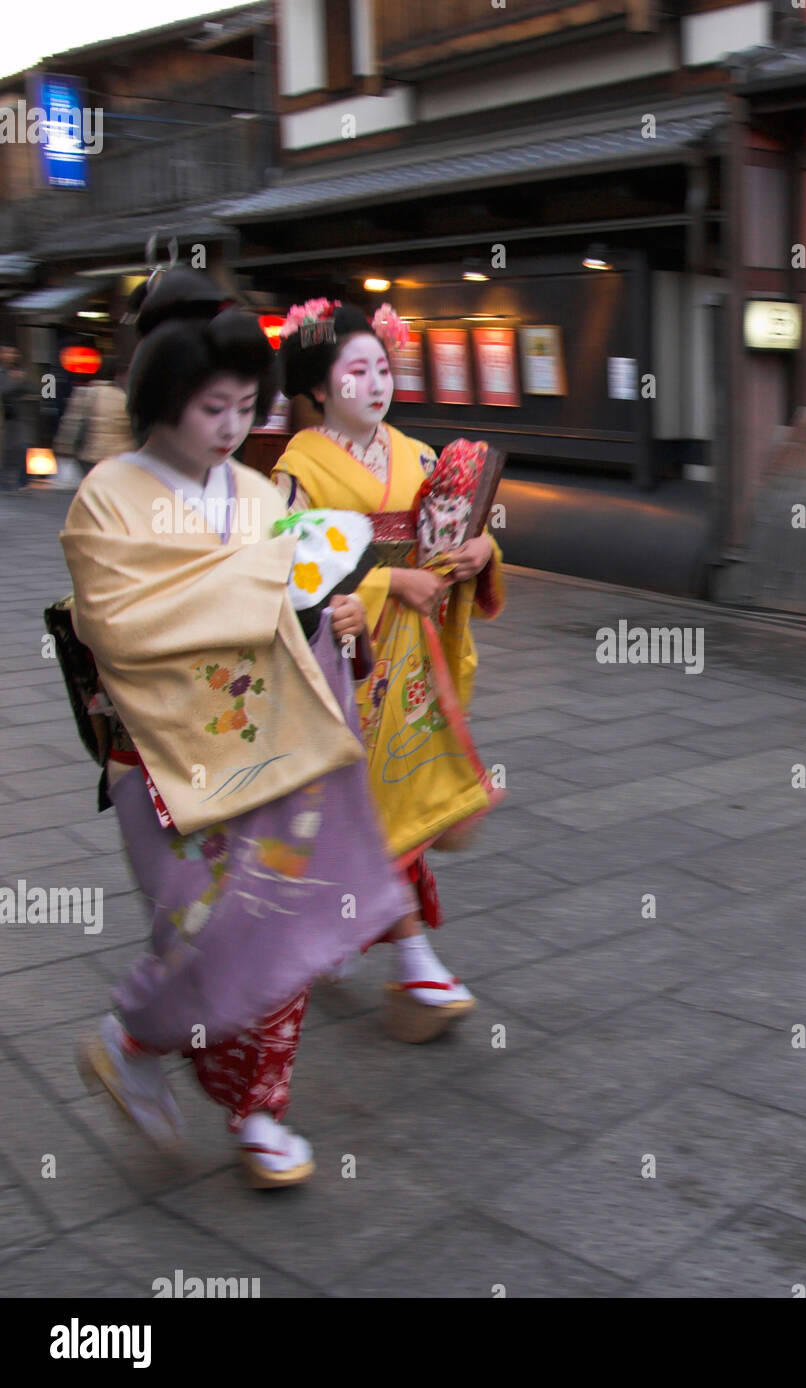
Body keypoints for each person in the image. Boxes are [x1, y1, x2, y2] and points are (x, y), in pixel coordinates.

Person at [63, 268, 415, 1187]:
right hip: (163, 760)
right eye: (211, 405)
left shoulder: (261, 497)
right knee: (204, 929)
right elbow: (121, 624)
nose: (229, 428)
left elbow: (315, 593)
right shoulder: (109, 494)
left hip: (275, 743)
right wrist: (274, 585)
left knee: (277, 917)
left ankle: (257, 1111)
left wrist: (335, 613)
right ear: (163, 391)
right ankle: (139, 1040)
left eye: (243, 408)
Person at [273, 299, 504, 1043]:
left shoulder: (414, 454)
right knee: (367, 809)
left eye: (382, 367)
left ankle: (355, 938)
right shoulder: (298, 469)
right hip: (344, 657)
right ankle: (413, 960)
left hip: (410, 658)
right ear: (318, 388)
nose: (376, 383)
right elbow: (285, 568)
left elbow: (450, 533)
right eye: (355, 371)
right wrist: (383, 582)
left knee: (382, 804)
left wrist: (479, 554)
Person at [54, 357, 134, 479]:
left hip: (91, 456)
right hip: (118, 458)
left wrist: (64, 448)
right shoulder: (124, 398)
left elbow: (71, 424)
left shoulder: (85, 394)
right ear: (117, 375)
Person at [0, 344, 36, 491]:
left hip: (18, 419)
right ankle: (7, 483)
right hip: (6, 420)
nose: (10, 356)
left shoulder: (20, 371)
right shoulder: (8, 374)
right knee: (9, 451)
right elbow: (3, 391)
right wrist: (17, 382)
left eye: (13, 353)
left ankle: (20, 482)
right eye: (6, 352)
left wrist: (22, 382)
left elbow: (37, 388)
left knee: (21, 448)